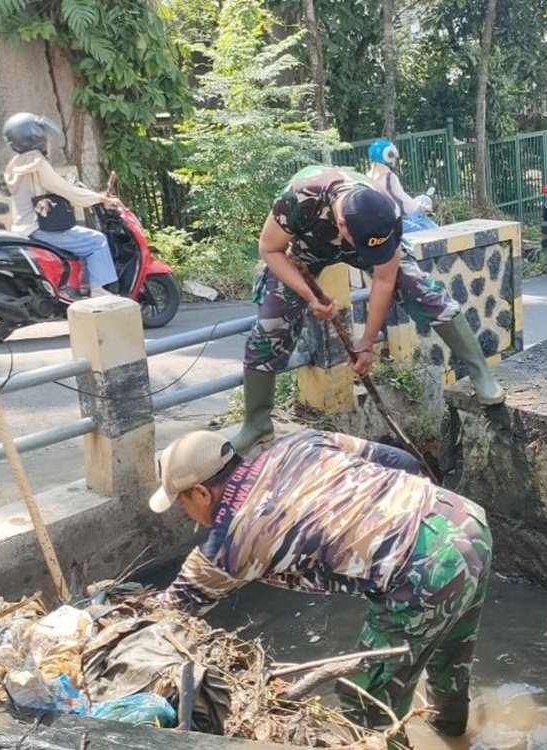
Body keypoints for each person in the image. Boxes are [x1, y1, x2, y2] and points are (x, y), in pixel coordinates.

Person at [149, 429, 492, 744]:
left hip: (422, 571)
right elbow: (401, 461)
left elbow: (169, 611)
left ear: (201, 492)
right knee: (451, 654)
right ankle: (453, 734)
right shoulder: (298, 443)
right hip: (461, 519)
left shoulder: (228, 545)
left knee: (363, 698)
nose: (186, 511)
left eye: (182, 503)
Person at [231, 164, 505, 453]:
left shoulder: (385, 211)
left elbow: (384, 279)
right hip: (303, 248)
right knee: (270, 326)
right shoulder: (299, 199)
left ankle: (480, 372)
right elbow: (269, 249)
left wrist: (367, 342)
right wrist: (310, 294)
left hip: (362, 239)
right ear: (341, 225)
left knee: (424, 291)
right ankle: (256, 422)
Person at [1, 112, 120, 296]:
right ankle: (97, 289)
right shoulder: (36, 162)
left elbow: (48, 189)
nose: (48, 140)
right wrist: (100, 199)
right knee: (96, 241)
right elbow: (63, 189)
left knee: (81, 242)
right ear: (34, 136)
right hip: (39, 227)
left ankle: (82, 285)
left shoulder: (14, 164)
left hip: (23, 228)